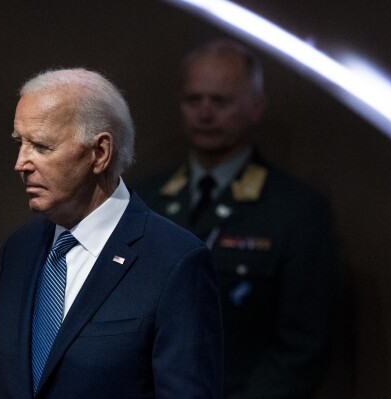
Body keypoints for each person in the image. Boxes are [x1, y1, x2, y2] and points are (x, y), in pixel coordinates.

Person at [0, 68, 224, 399]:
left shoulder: (175, 262)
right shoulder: (19, 250)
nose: (21, 163)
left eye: (41, 146)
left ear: (100, 153)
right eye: (20, 143)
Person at [136, 39, 338, 398]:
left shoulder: (296, 209)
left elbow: (302, 345)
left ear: (256, 107)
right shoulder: (144, 199)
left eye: (221, 101)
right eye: (193, 100)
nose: (205, 113)